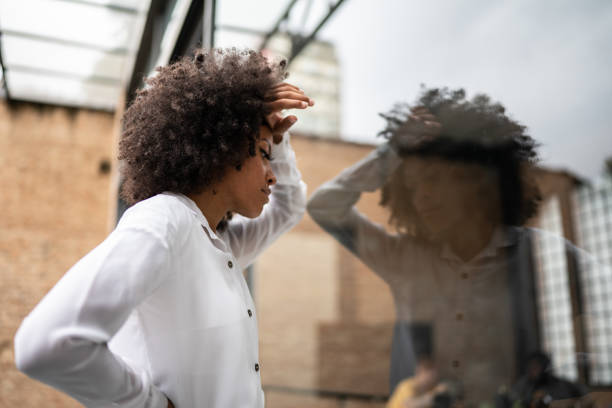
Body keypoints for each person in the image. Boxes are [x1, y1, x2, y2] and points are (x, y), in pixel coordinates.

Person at [14, 48, 313, 408]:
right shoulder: (165, 221)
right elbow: (48, 342)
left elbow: (290, 206)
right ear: (224, 145)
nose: (272, 174)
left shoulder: (219, 246)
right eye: (263, 154)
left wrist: (278, 141)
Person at [307, 87, 544, 405]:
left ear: (475, 178)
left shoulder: (536, 255)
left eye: (432, 179)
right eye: (412, 187)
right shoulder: (403, 258)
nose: (422, 198)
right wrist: (391, 154)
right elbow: (324, 207)